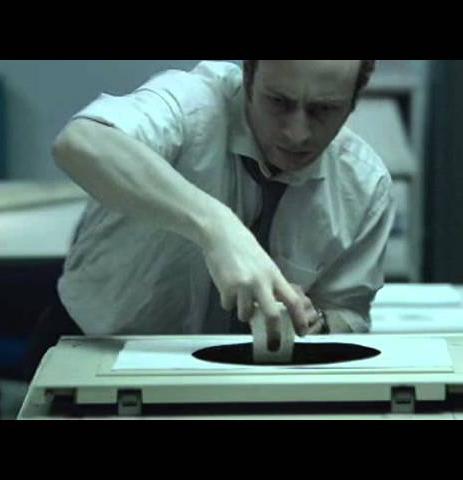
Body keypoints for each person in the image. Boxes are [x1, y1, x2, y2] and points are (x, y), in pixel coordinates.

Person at [24, 60, 396, 376]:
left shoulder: (364, 185)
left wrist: (319, 323)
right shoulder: (192, 103)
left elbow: (347, 310)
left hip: (248, 378)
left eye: (323, 109)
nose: (297, 133)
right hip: (97, 349)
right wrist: (218, 228)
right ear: (248, 75)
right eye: (278, 102)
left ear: (354, 99)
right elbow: (80, 142)